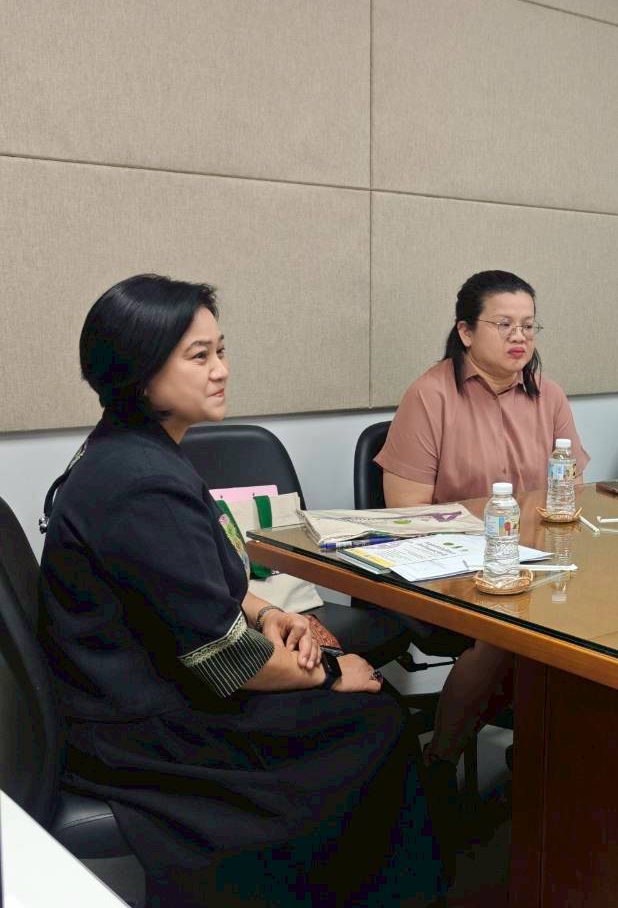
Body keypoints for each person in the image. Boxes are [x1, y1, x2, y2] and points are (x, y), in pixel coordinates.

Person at [39, 275, 446, 908]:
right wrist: (332, 669)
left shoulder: (130, 450)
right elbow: (225, 660)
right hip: (140, 729)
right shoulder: (142, 485)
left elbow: (188, 584)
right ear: (140, 372)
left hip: (138, 691)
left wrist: (266, 611)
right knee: (374, 717)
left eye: (221, 350)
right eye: (198, 356)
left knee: (363, 708)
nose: (221, 370)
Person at [375, 270, 588, 788]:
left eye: (529, 326)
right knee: (506, 630)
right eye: (504, 325)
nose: (520, 338)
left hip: (533, 562)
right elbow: (406, 513)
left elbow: (571, 492)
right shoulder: (429, 396)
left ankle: (550, 756)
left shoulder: (549, 396)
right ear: (466, 331)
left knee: (592, 619)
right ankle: (439, 765)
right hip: (450, 566)